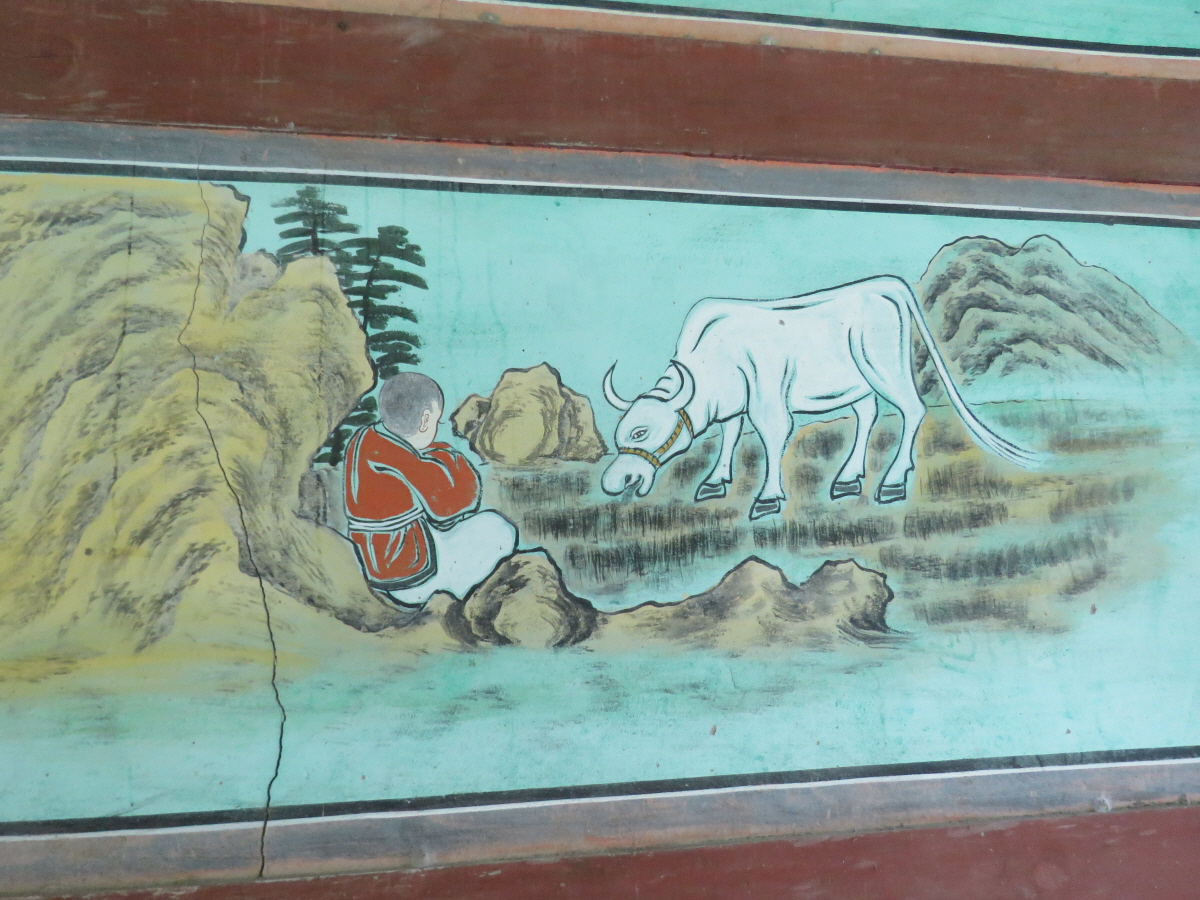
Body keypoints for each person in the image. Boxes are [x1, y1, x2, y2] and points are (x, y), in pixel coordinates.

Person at [344, 372, 517, 609]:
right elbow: (455, 506)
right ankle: (451, 598)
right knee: (500, 529)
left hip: (376, 562)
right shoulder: (403, 459)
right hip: (409, 577)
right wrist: (452, 457)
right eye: (437, 422)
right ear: (426, 420)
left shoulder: (365, 438)